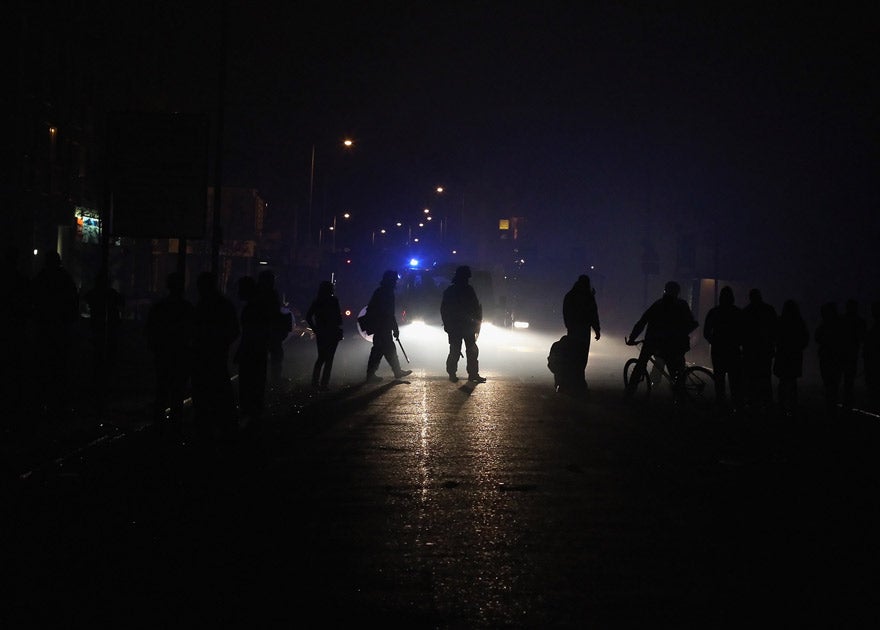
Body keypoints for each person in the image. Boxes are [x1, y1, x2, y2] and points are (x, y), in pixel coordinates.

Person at [625, 280, 698, 399]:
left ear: (665, 291)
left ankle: (629, 392)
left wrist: (632, 338)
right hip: (675, 344)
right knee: (676, 371)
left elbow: (642, 322)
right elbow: (691, 323)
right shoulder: (682, 304)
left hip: (653, 342)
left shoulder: (658, 304)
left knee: (641, 365)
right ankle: (680, 398)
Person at [191, 271, 240, 442]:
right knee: (220, 391)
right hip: (217, 356)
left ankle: (206, 429)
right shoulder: (223, 305)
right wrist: (223, 342)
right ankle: (223, 428)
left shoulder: (201, 306)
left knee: (204, 394)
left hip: (204, 357)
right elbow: (234, 330)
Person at [30, 250, 79, 420]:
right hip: (59, 330)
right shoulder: (64, 279)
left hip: (45, 329)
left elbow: (33, 302)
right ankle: (58, 402)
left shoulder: (41, 278)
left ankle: (44, 401)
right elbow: (73, 304)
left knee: (44, 366)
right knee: (59, 366)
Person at [144, 271, 195, 426]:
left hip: (164, 354)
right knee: (177, 392)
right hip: (181, 354)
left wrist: (156, 347)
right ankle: (175, 424)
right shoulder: (187, 308)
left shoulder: (160, 307)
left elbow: (150, 330)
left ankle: (158, 423)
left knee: (162, 390)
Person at [234, 275, 273, 432]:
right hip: (258, 350)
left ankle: (250, 416)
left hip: (252, 351)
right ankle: (254, 415)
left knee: (248, 383)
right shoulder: (259, 306)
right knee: (256, 383)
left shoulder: (252, 308)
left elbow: (249, 333)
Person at [364, 270, 412, 383]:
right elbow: (389, 313)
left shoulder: (381, 291)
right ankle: (393, 371)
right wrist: (395, 328)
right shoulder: (387, 293)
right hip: (383, 326)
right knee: (384, 350)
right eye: (395, 280)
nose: (396, 282)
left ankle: (377, 373)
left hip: (380, 325)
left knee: (382, 350)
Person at [440, 265, 486, 383]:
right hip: (462, 326)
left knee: (463, 350)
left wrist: (447, 325)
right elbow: (475, 309)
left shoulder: (451, 291)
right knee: (463, 350)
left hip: (461, 326)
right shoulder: (466, 290)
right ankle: (466, 374)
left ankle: (463, 373)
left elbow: (444, 310)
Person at [702, 286, 744, 411]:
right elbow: (744, 331)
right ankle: (736, 405)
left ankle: (721, 404)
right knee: (734, 379)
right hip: (733, 350)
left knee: (719, 379)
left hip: (718, 350)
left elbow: (706, 332)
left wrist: (712, 341)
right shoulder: (737, 312)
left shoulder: (714, 312)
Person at [560, 274, 601, 394]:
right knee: (582, 357)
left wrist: (569, 325)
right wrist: (597, 329)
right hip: (584, 331)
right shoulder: (588, 297)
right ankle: (579, 382)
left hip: (574, 330)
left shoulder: (571, 295)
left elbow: (566, 312)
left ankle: (571, 382)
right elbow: (593, 314)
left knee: (573, 356)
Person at [741, 288, 778, 411]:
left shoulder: (747, 311)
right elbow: (774, 330)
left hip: (750, 350)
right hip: (765, 350)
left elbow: (742, 332)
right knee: (765, 377)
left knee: (751, 377)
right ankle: (766, 402)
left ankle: (752, 401)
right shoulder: (768, 310)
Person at [83, 266, 125, 377]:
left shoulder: (94, 293)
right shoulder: (112, 293)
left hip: (98, 323)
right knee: (108, 348)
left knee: (98, 347)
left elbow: (86, 299)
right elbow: (122, 302)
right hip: (109, 324)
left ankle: (99, 370)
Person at [773, 299, 809, 418]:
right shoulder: (799, 322)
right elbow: (805, 338)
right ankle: (793, 406)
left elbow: (775, 336)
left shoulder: (780, 321)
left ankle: (781, 406)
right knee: (792, 382)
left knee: (783, 382)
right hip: (794, 355)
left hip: (783, 354)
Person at [306, 280, 343, 391]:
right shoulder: (334, 300)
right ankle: (324, 384)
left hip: (322, 332)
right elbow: (338, 318)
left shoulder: (317, 301)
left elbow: (308, 316)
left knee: (321, 357)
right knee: (329, 359)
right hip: (332, 332)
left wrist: (315, 329)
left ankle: (315, 382)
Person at [815, 301, 845, 416]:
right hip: (835, 358)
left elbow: (817, 337)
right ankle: (832, 408)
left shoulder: (824, 327)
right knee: (833, 384)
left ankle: (830, 408)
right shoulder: (839, 325)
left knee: (829, 384)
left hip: (828, 359)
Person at [257, 270, 286, 381]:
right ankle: (275, 377)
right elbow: (274, 312)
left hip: (267, 329)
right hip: (269, 329)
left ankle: (271, 377)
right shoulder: (270, 293)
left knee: (274, 354)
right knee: (276, 354)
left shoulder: (261, 292)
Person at [840, 298, 867, 410]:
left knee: (842, 379)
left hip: (842, 354)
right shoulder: (858, 321)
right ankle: (848, 402)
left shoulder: (842, 320)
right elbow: (862, 337)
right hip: (851, 354)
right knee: (849, 380)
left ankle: (843, 402)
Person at [864, 301, 880, 412]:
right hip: (872, 362)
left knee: (874, 385)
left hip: (873, 362)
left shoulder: (874, 329)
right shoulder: (874, 328)